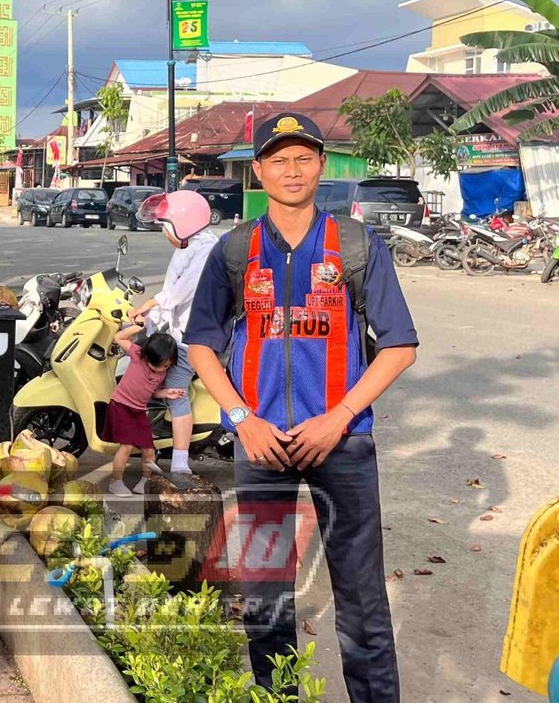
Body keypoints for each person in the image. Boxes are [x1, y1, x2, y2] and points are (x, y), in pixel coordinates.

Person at [186, 113, 417, 702]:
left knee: (362, 602)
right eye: (278, 160)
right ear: (258, 171)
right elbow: (202, 345)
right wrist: (242, 420)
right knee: (265, 599)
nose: (292, 170)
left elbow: (399, 347)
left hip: (343, 445)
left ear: (320, 165)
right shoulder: (234, 251)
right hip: (260, 447)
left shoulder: (358, 247)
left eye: (303, 158)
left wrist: (337, 418)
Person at [129, 189, 218, 489]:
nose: (164, 233)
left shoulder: (205, 249)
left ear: (184, 223)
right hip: (178, 328)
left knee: (176, 391)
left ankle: (179, 463)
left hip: (190, 336)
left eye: (165, 227)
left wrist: (149, 305)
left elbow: (180, 294)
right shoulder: (190, 245)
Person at [105, 328, 182, 496]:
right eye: (156, 365)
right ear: (146, 356)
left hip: (139, 410)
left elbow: (152, 391)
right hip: (121, 405)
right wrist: (138, 326)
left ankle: (145, 482)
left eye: (165, 366)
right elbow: (118, 336)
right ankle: (115, 482)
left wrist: (166, 393)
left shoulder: (162, 372)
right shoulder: (137, 354)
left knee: (148, 448)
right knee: (127, 445)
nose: (160, 369)